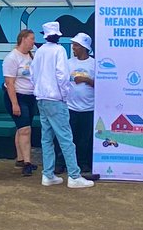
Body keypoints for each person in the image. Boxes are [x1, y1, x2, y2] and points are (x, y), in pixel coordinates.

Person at [31, 21, 94, 189]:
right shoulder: (59, 50)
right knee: (66, 138)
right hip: (56, 100)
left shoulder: (40, 51)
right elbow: (62, 76)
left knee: (46, 138)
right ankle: (74, 176)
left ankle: (48, 174)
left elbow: (33, 74)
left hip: (41, 99)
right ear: (58, 35)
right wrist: (64, 95)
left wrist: (39, 91)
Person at [2, 29, 37, 175]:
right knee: (25, 130)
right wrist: (15, 104)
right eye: (32, 39)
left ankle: (21, 159)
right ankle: (27, 164)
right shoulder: (12, 58)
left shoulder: (31, 56)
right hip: (16, 96)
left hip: (30, 97)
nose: (34, 42)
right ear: (23, 39)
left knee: (22, 128)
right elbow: (10, 83)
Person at [66, 32, 96, 177]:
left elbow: (102, 86)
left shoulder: (94, 64)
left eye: (76, 45)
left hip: (89, 108)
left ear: (84, 47)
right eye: (73, 45)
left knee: (85, 138)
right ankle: (64, 163)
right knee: (69, 137)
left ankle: (83, 163)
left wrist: (86, 80)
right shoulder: (69, 63)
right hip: (71, 107)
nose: (73, 48)